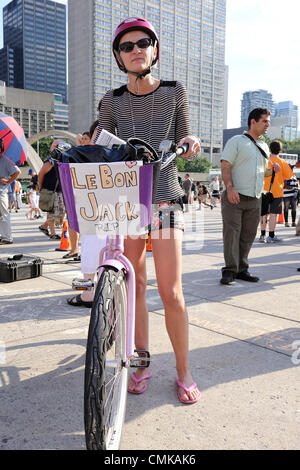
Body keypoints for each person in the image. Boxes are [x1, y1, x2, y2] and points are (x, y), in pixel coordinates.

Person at [91, 17, 201, 404]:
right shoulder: (110, 101)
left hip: (166, 197)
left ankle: (183, 369)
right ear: (119, 57)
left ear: (155, 49)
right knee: (134, 285)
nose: (136, 50)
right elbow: (101, 149)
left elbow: (185, 132)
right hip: (125, 201)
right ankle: (140, 361)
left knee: (171, 292)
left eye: (143, 43)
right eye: (127, 46)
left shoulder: (174, 91)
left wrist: (190, 140)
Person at [220, 108, 280, 285]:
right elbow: (225, 166)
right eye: (265, 121)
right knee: (232, 234)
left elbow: (263, 172)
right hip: (235, 197)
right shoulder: (236, 141)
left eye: (269, 121)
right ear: (253, 122)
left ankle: (242, 269)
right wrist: (229, 188)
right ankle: (230, 270)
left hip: (255, 198)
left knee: (248, 234)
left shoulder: (263, 146)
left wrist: (272, 170)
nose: (268, 125)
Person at [259, 140, 293, 243]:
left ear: (270, 149)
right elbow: (289, 176)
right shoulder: (282, 162)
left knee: (263, 213)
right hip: (277, 191)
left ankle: (262, 235)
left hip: (264, 190)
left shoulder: (265, 161)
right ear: (280, 150)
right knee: (273, 214)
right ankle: (271, 236)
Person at [37, 141, 65, 240]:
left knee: (59, 213)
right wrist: (40, 187)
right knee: (52, 212)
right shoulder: (50, 161)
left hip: (58, 191)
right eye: (54, 146)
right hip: (49, 191)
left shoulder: (61, 161)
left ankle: (44, 227)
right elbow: (40, 175)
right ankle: (53, 233)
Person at [0, 138, 21, 244]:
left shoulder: (5, 160)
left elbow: (17, 172)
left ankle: (7, 237)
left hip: (1, 191)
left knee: (4, 214)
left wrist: (8, 181)